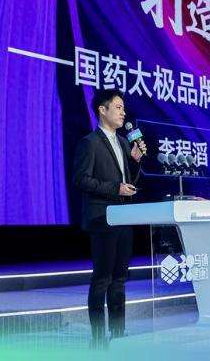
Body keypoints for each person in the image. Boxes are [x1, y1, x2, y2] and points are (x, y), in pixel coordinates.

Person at [72, 89, 147, 346]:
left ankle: (118, 334)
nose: (123, 113)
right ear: (102, 110)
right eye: (118, 107)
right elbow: (81, 180)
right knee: (102, 278)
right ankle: (98, 339)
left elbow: (129, 179)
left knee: (120, 279)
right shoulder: (90, 142)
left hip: (124, 217)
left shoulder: (125, 142)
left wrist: (135, 161)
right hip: (102, 218)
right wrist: (115, 189)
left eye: (123, 108)